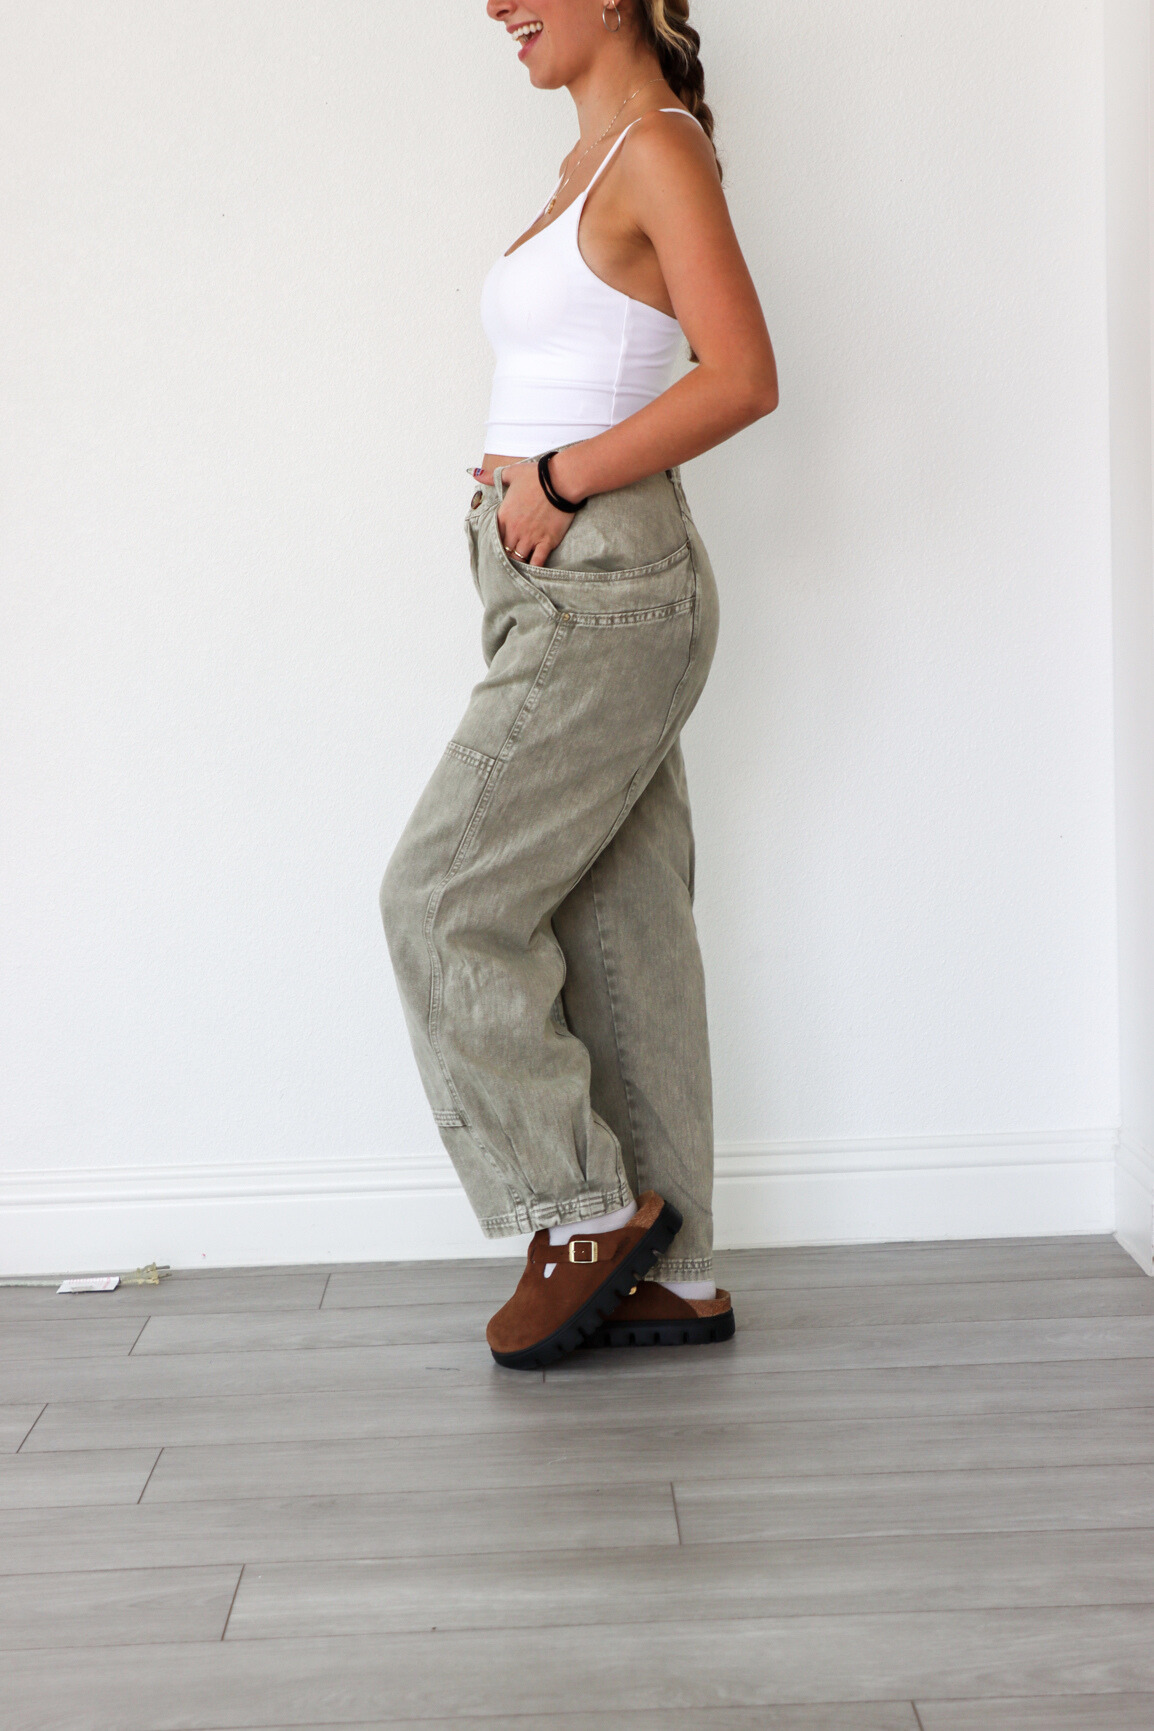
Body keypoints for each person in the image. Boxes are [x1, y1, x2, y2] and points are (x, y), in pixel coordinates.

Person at [381, 0, 778, 1369]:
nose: (492, 4)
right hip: (554, 577)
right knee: (617, 927)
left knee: (440, 898)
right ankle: (678, 1276)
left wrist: (556, 476)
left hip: (606, 583)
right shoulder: (587, 160)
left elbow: (741, 376)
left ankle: (586, 1208)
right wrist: (518, 470)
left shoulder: (657, 148)